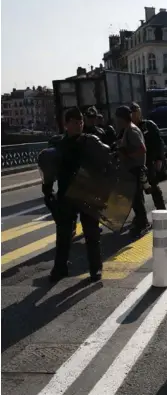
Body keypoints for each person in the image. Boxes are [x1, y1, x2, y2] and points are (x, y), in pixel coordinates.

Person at [47, 107, 105, 282]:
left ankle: (95, 268)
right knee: (63, 235)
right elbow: (48, 168)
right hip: (67, 195)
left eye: (80, 121)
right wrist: (48, 190)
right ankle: (60, 268)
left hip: (88, 194)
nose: (79, 125)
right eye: (75, 122)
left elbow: (106, 161)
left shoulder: (91, 141)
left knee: (92, 234)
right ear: (66, 125)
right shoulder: (58, 144)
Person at [115, 105, 151, 237]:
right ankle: (140, 221)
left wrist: (127, 154)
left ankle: (143, 223)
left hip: (135, 169)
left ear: (121, 118)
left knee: (136, 199)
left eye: (118, 118)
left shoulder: (131, 130)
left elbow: (142, 149)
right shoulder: (127, 130)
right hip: (131, 169)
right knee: (135, 198)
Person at [130, 102, 167, 219]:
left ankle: (162, 213)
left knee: (154, 188)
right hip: (135, 164)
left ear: (139, 112)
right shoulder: (129, 129)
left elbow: (159, 143)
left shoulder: (149, 125)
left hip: (149, 161)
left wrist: (159, 159)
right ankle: (140, 218)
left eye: (136, 112)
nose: (134, 115)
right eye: (132, 113)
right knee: (137, 192)